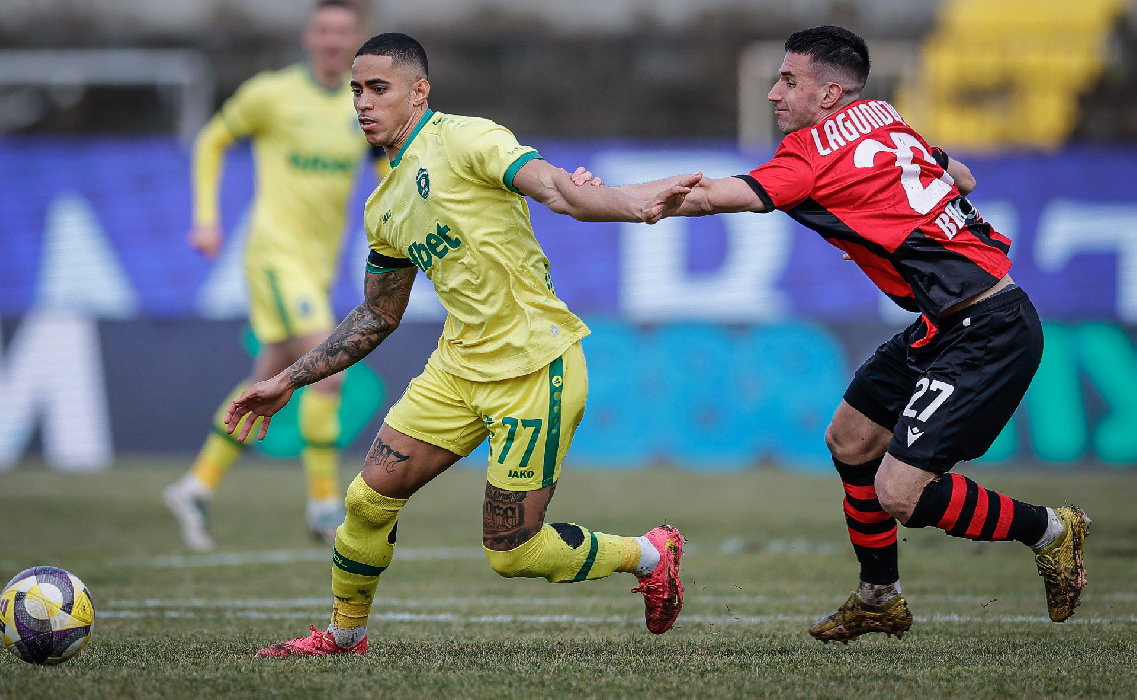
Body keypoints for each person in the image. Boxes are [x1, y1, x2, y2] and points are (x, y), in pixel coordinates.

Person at [579, 25, 1090, 643]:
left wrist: (606, 198)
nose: (774, 93)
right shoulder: (884, 117)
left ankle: (1051, 529)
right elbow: (964, 178)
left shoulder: (809, 156)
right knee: (850, 439)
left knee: (900, 493)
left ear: (828, 93)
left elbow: (707, 197)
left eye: (788, 80)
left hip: (988, 329)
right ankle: (879, 597)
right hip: (948, 320)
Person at [224, 33, 696, 656]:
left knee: (513, 553)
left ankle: (649, 554)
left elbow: (559, 191)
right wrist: (288, 378)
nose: (363, 102)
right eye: (357, 90)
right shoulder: (383, 207)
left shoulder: (468, 139)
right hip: (456, 368)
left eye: (379, 89)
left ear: (419, 91)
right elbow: (377, 314)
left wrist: (633, 205)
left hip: (535, 366)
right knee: (367, 500)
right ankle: (343, 635)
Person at [164, 0, 385, 550]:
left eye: (344, 32)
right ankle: (323, 506)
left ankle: (196, 486)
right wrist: (206, 218)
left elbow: (388, 170)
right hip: (274, 257)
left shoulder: (365, 108)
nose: (333, 41)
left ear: (358, 41)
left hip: (317, 266)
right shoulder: (272, 95)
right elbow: (211, 140)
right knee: (330, 370)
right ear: (309, 36)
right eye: (324, 30)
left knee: (267, 378)